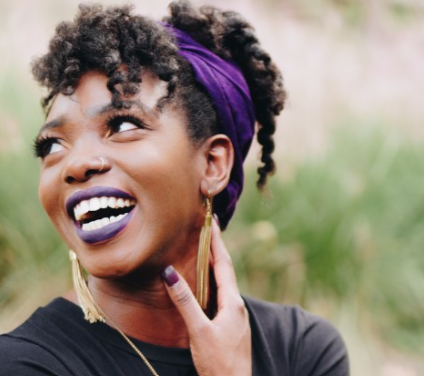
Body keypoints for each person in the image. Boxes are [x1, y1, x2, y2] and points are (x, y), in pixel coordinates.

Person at [0, 1, 349, 375]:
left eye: (122, 126)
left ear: (213, 164)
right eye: (52, 145)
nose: (76, 163)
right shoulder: (25, 364)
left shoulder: (300, 350)